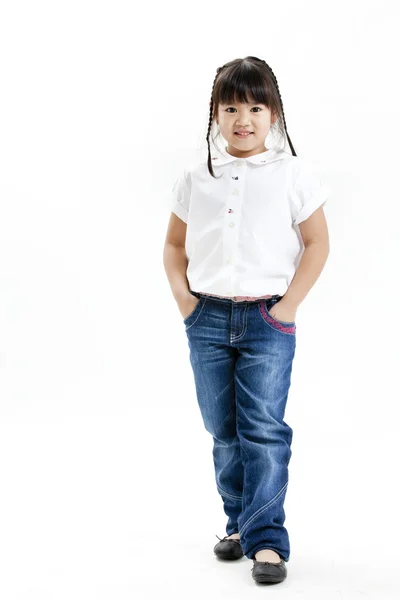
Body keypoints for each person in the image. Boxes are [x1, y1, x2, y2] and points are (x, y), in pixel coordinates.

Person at [163, 56, 332, 585]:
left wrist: (287, 308)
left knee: (262, 430)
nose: (243, 118)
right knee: (223, 430)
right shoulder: (197, 177)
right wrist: (186, 304)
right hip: (207, 319)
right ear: (214, 113)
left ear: (274, 114)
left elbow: (317, 243)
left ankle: (266, 541)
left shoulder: (294, 174)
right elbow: (173, 245)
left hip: (267, 321)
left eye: (256, 106)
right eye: (231, 106)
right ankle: (237, 522)